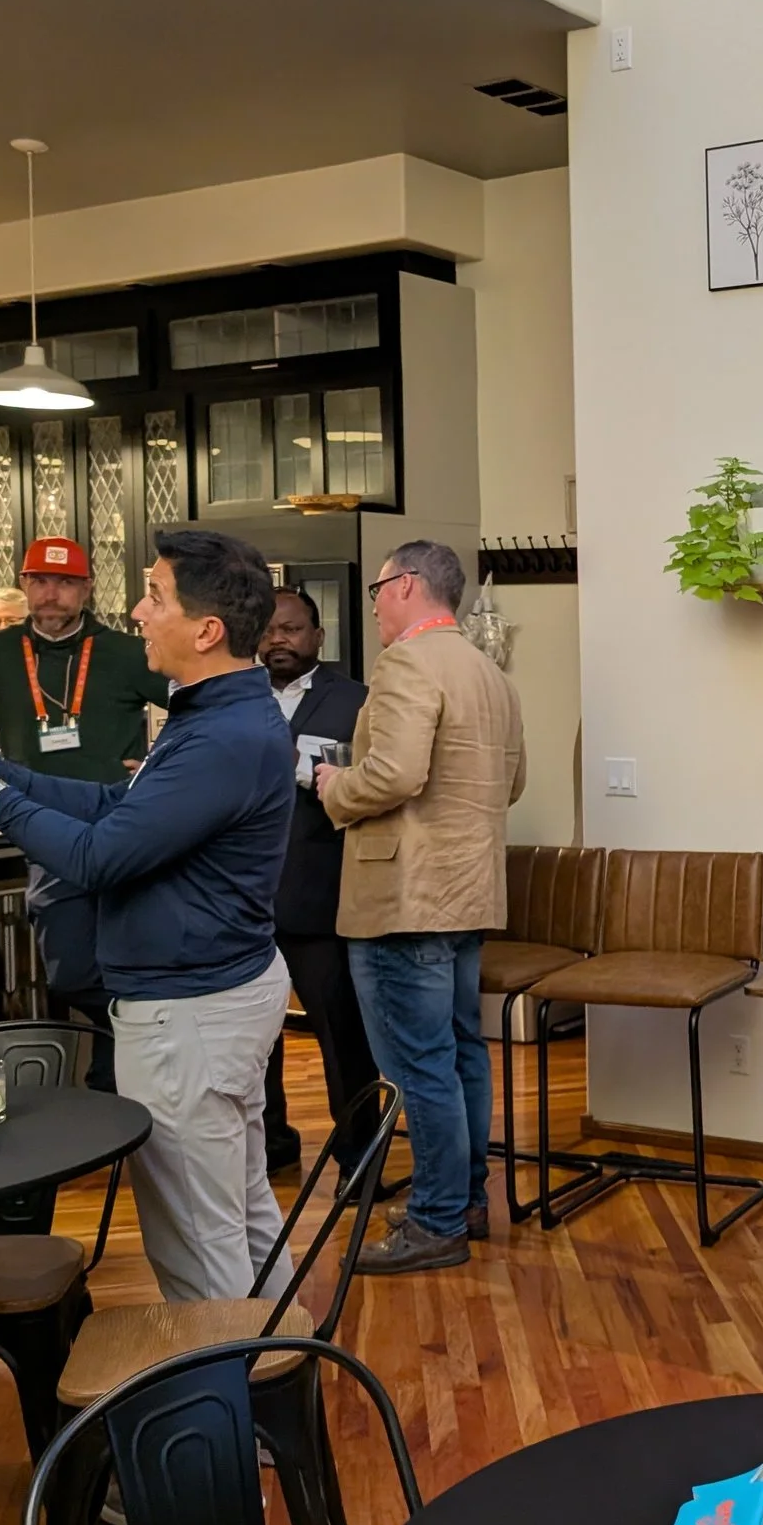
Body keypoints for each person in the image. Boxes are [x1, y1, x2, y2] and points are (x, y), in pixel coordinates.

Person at [0, 530, 295, 1304]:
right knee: (237, 1213)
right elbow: (113, 806)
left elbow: (97, 857)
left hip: (190, 1012)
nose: (137, 610)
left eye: (155, 595)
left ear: (206, 630)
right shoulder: (215, 712)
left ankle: (230, 1402)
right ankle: (273, 1382)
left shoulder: (221, 734)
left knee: (197, 1236)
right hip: (206, 996)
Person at [317, 542, 525, 1274]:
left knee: (420, 1067)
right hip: (469, 893)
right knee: (461, 1054)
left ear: (405, 586)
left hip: (404, 899)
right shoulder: (488, 673)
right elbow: (514, 783)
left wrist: (333, 787)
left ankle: (436, 1222)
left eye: (377, 589)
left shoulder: (408, 662)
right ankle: (465, 1199)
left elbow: (397, 772)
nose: (373, 603)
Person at [0, 538, 170, 1088]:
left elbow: (198, 704)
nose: (51, 594)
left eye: (65, 583)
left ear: (86, 588)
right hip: (43, 829)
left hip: (122, 828)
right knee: (72, 969)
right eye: (40, 581)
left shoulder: (126, 651)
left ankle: (115, 1079)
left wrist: (155, 762)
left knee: (131, 955)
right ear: (25, 585)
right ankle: (129, 1044)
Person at [259, 588, 379, 1178]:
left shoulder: (357, 702)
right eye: (269, 629)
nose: (279, 639)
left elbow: (370, 793)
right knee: (255, 1038)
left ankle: (361, 1157)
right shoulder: (232, 699)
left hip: (320, 895)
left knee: (341, 1035)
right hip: (243, 900)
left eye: (292, 628)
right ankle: (270, 1143)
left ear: (318, 637)